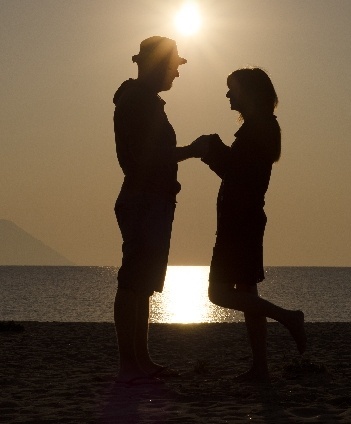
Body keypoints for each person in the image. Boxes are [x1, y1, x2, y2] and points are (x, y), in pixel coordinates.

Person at [112, 36, 209, 385]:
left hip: (149, 198)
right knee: (134, 281)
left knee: (142, 283)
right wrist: (192, 150)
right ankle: (130, 363)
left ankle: (139, 359)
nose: (177, 74)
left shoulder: (141, 101)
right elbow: (147, 157)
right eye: (173, 66)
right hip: (144, 199)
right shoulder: (139, 102)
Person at [200, 67, 306, 383]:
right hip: (243, 219)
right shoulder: (260, 129)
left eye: (233, 89)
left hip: (240, 222)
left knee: (217, 294)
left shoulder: (260, 130)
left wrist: (212, 149)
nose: (228, 95)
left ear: (250, 93)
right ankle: (260, 367)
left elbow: (240, 174)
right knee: (248, 292)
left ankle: (289, 318)